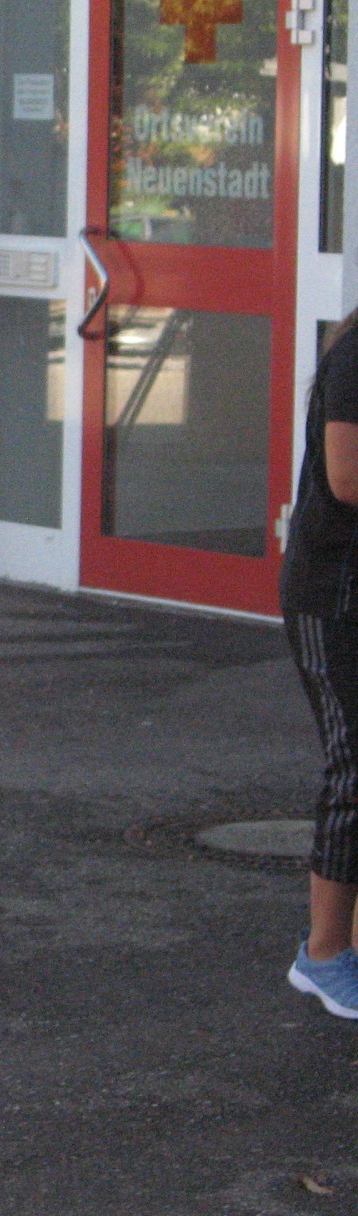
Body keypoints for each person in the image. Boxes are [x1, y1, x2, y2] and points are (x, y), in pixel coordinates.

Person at [280, 313, 358, 1020]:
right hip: (334, 598)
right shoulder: (357, 353)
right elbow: (346, 477)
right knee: (354, 769)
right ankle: (324, 957)